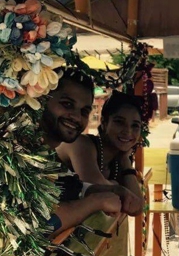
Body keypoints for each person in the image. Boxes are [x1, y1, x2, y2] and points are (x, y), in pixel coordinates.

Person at [41, 69, 136, 235]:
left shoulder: (48, 155)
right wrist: (94, 202)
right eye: (67, 104)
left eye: (84, 111)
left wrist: (102, 191)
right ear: (41, 100)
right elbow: (39, 226)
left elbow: (69, 187)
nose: (76, 117)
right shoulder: (14, 151)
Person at [55, 90, 144, 216]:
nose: (128, 131)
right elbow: (96, 188)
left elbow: (136, 208)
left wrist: (125, 161)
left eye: (135, 126)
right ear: (104, 123)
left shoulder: (118, 160)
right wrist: (116, 186)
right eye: (119, 122)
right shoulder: (80, 144)